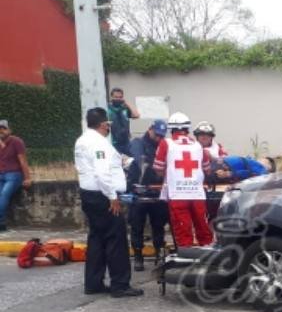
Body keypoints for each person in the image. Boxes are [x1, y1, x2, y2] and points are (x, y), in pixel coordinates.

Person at [74, 108, 143, 297]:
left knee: (97, 239)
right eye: (108, 125)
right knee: (116, 240)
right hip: (103, 197)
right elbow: (101, 172)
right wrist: (112, 196)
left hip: (90, 194)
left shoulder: (82, 140)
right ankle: (120, 285)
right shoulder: (98, 143)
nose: (109, 128)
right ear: (104, 124)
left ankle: (94, 283)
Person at [153, 112, 213, 248]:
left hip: (177, 193)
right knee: (202, 225)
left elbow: (158, 167)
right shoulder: (198, 145)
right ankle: (208, 251)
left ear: (171, 129)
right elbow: (207, 169)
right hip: (197, 193)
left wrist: (169, 175)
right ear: (187, 129)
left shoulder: (166, 143)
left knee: (183, 228)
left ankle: (185, 256)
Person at [127, 119, 169, 271]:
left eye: (161, 136)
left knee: (158, 225)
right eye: (157, 134)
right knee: (136, 225)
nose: (159, 138)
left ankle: (159, 253)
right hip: (140, 190)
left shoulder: (164, 144)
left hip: (157, 191)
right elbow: (139, 159)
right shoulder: (138, 143)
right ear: (150, 129)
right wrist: (155, 166)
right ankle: (138, 256)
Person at [0, 120, 31, 231]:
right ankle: (2, 224)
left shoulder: (16, 141)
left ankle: (1, 224)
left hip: (14, 175)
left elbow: (23, 161)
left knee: (3, 195)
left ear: (9, 130)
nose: (1, 131)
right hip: (1, 175)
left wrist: (27, 178)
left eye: (4, 128)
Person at [107, 87, 140, 156]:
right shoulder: (108, 109)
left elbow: (136, 115)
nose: (118, 99)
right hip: (114, 143)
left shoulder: (124, 108)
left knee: (132, 160)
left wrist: (127, 104)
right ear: (111, 97)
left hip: (126, 142)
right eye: (116, 97)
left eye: (120, 97)